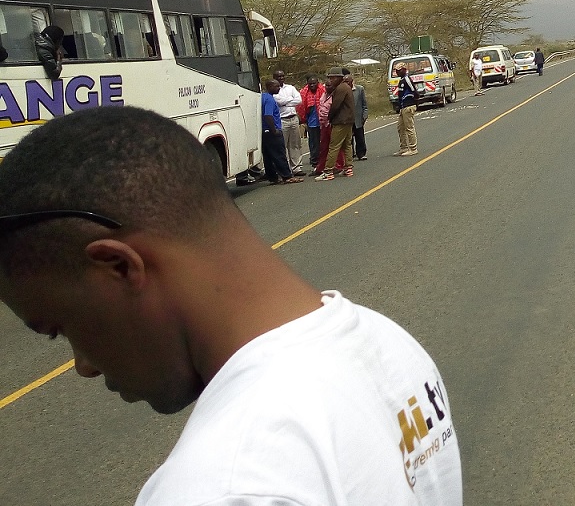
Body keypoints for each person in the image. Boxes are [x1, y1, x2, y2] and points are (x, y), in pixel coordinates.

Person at [0, 107, 463, 504]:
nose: (82, 365)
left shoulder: (229, 484)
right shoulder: (382, 340)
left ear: (119, 267)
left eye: (61, 328)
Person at [316, 67, 354, 181]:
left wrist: (329, 118)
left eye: (332, 78)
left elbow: (335, 106)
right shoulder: (346, 87)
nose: (331, 80)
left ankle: (328, 171)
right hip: (348, 120)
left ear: (339, 78)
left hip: (340, 121)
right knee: (347, 145)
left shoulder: (341, 88)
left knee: (333, 146)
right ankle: (348, 168)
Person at [262, 79, 302, 184]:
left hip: (264, 131)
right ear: (269, 87)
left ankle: (272, 178)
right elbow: (268, 115)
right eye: (276, 86)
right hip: (272, 130)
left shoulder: (263, 97)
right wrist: (274, 130)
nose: (279, 88)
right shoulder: (270, 99)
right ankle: (287, 176)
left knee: (268, 156)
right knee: (279, 153)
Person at [273, 69, 305, 176]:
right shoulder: (273, 90)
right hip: (282, 120)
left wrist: (285, 102)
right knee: (282, 146)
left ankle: (296, 168)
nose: (281, 78)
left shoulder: (290, 88)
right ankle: (284, 170)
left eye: (282, 76)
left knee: (295, 144)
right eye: (278, 76)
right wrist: (290, 100)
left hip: (294, 119)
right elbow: (279, 101)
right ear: (274, 78)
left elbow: (299, 100)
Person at [298, 74, 326, 172]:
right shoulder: (304, 93)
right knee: (314, 144)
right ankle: (315, 162)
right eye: (310, 84)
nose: (312, 85)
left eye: (314, 83)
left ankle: (323, 162)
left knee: (324, 142)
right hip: (312, 123)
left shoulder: (323, 91)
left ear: (317, 83)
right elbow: (301, 108)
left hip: (323, 122)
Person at [394, 63, 419, 156]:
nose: (397, 72)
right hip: (403, 107)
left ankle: (413, 148)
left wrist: (415, 104)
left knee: (409, 128)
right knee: (400, 128)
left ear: (404, 70)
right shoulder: (401, 80)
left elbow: (415, 91)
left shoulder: (407, 79)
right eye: (396, 71)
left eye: (399, 70)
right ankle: (403, 147)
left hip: (408, 106)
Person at [344, 68, 369, 160]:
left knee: (360, 136)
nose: (347, 83)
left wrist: (364, 116)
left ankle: (361, 153)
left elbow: (364, 104)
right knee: (348, 138)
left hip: (358, 118)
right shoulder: (342, 91)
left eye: (348, 81)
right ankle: (350, 154)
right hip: (347, 119)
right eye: (345, 82)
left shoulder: (359, 89)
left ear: (352, 81)